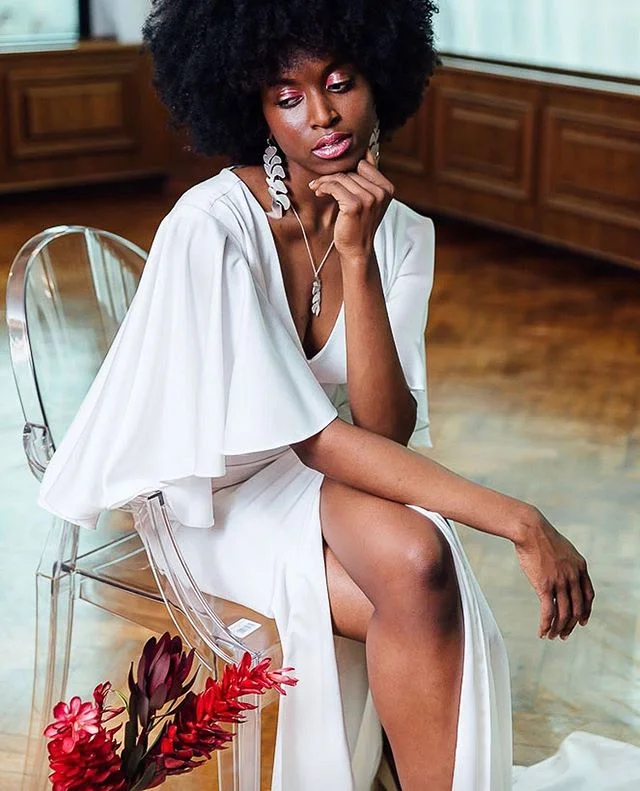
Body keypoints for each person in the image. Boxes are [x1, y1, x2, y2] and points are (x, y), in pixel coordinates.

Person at [37, 2, 603, 789]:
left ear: (381, 78)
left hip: (306, 466)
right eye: (287, 95)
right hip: (206, 492)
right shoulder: (212, 227)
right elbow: (319, 438)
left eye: (339, 82)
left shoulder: (400, 232)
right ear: (252, 106)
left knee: (419, 561)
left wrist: (358, 257)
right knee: (417, 598)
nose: (322, 115)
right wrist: (518, 518)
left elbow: (381, 426)